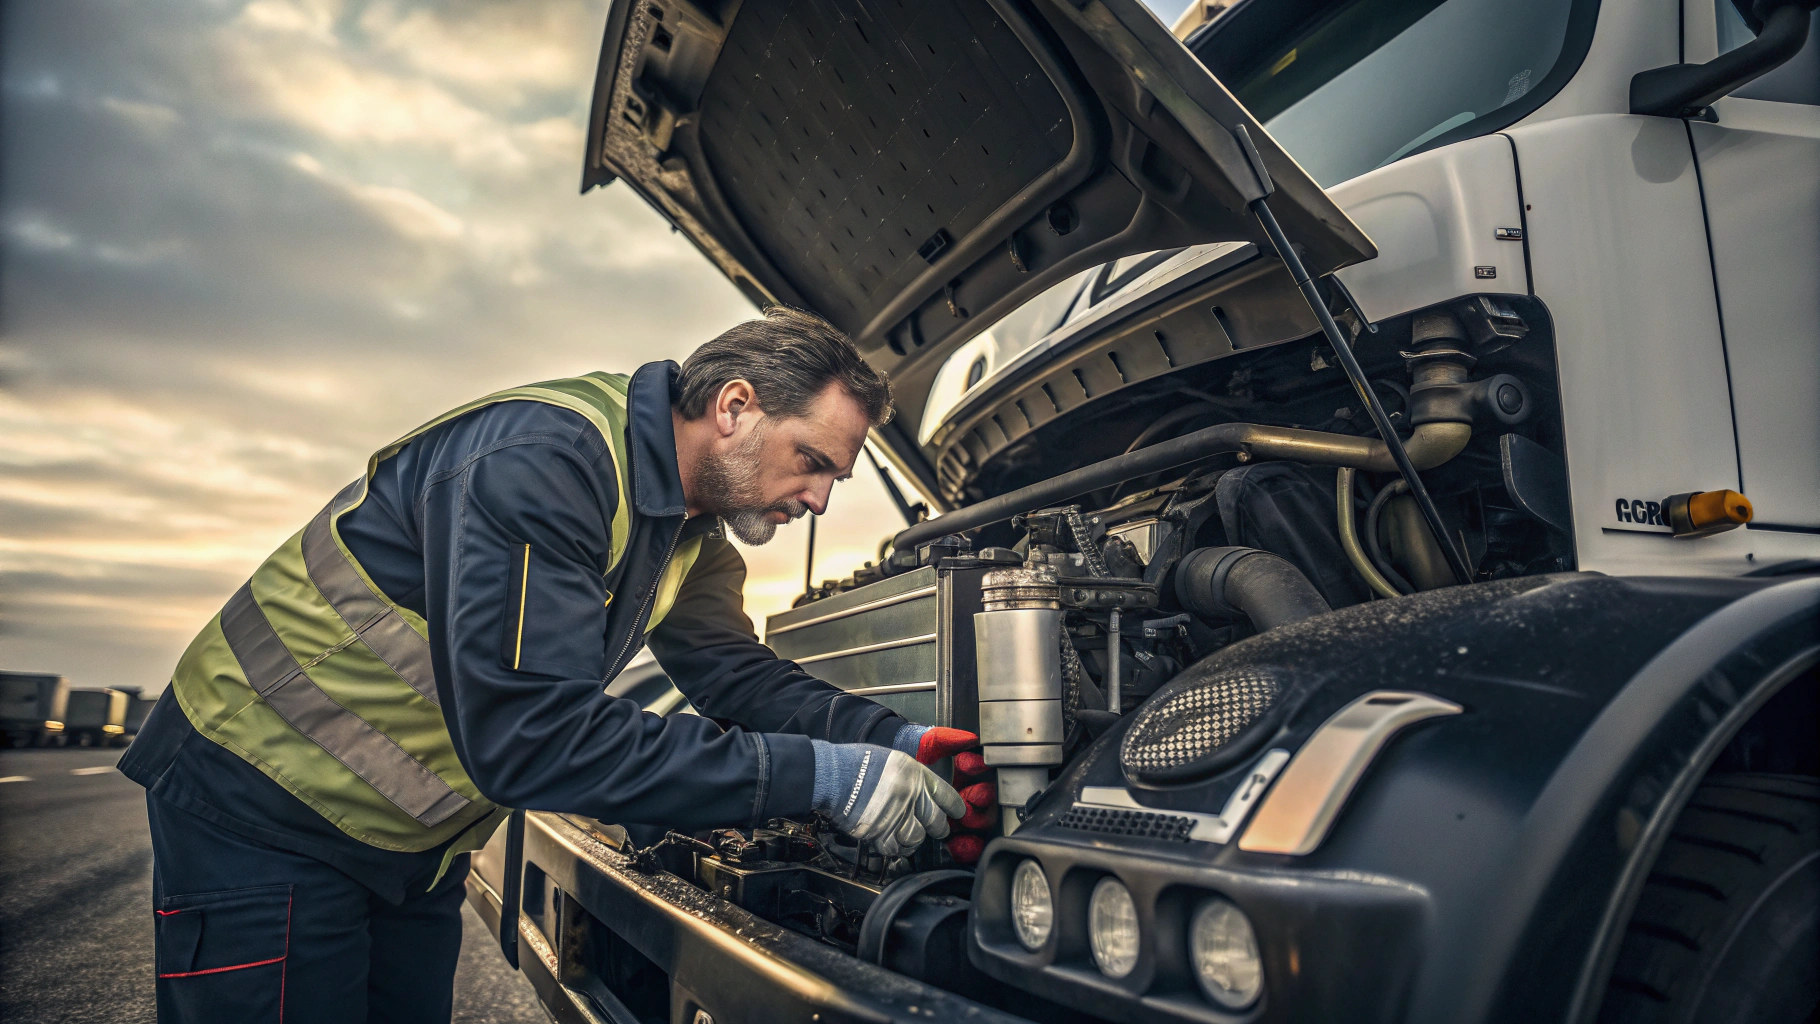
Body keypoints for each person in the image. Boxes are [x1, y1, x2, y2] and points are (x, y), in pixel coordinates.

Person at [120, 307, 981, 1023]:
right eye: (814, 462)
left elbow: (735, 676)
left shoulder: (690, 534)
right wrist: (826, 778)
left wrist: (893, 740)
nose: (822, 498)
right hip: (260, 805)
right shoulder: (547, 463)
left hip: (407, 842)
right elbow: (534, 739)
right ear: (734, 406)